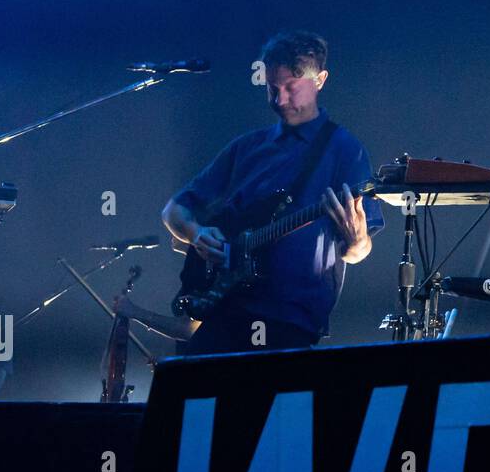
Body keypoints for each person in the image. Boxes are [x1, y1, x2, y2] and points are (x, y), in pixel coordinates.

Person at [116, 30, 383, 354]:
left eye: (292, 88)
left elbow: (356, 253)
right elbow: (174, 210)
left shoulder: (345, 151)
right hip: (222, 312)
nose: (280, 99)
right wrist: (197, 234)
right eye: (273, 88)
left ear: (320, 80)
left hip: (289, 323)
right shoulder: (247, 148)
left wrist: (356, 240)